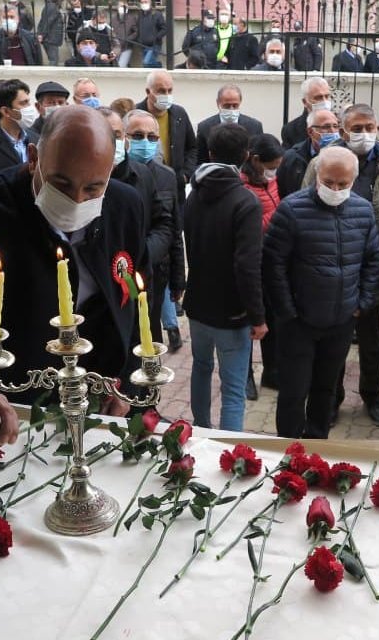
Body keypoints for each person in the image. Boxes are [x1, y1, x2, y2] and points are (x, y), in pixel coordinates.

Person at [0, 105, 148, 443]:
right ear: (34, 158)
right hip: (14, 402)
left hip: (101, 399)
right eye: (61, 183)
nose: (76, 200)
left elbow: (135, 297)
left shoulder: (125, 205)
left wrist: (131, 381)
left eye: (93, 188)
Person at [299, 104, 379, 426]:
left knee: (372, 338)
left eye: (369, 127)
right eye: (357, 128)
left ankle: (372, 395)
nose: (364, 134)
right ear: (344, 131)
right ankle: (331, 398)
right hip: (334, 264)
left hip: (377, 263)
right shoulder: (322, 162)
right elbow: (304, 206)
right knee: (334, 340)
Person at [264, 146, 379, 438]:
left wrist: (362, 302)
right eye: (329, 182)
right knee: (293, 393)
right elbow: (273, 265)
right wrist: (288, 311)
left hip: (341, 321)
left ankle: (317, 447)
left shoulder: (363, 211)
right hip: (299, 323)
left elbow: (373, 259)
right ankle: (288, 450)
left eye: (343, 184)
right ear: (317, 175)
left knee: (325, 390)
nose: (336, 190)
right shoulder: (291, 210)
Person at [182, 123, 267, 430]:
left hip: (198, 304)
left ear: (210, 153)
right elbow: (247, 266)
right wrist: (257, 316)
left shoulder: (194, 194)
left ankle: (200, 428)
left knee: (201, 367)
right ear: (246, 155)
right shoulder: (245, 201)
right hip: (232, 312)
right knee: (233, 388)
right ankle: (229, 447)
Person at [122, 108, 185, 352]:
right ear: (124, 137)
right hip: (122, 272)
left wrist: (178, 279)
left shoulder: (167, 176)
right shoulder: (115, 175)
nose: (145, 142)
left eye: (152, 137)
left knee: (150, 331)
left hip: (157, 271)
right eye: (138, 136)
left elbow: (173, 228)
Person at [240, 134, 285, 393]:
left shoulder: (273, 181)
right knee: (251, 321)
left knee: (274, 320)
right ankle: (245, 375)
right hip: (252, 262)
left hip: (273, 261)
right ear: (256, 160)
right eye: (271, 166)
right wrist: (278, 216)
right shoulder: (242, 186)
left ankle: (272, 371)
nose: (273, 171)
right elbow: (250, 227)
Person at [136, 70, 198, 195]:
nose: (166, 95)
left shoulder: (179, 114)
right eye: (161, 91)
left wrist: (185, 175)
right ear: (148, 92)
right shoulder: (135, 115)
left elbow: (192, 148)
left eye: (170, 90)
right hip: (143, 186)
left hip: (175, 189)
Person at [195, 85, 264, 165]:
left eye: (235, 105)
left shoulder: (255, 126)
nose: (231, 109)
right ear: (218, 103)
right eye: (227, 106)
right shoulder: (204, 127)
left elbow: (258, 158)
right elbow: (200, 160)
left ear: (240, 102)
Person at [278, 108, 338, 199]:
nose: (333, 131)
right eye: (326, 127)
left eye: (336, 126)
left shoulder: (347, 156)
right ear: (310, 131)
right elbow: (282, 193)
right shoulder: (292, 158)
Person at [281, 78, 333, 149]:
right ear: (305, 102)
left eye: (327, 96)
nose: (324, 101)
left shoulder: (340, 124)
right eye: (318, 98)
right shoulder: (291, 130)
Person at [135, 0, 167, 67]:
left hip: (154, 45)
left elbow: (164, 29)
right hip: (143, 45)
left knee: (146, 63)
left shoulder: (157, 14)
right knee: (146, 66)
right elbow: (138, 28)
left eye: (146, 2)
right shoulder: (140, 15)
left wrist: (156, 37)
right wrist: (139, 39)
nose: (144, 4)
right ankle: (157, 69)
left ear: (151, 2)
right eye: (142, 2)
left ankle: (159, 66)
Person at [109, 0, 139, 67]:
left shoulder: (132, 18)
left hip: (126, 47)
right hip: (115, 47)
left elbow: (136, 32)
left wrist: (128, 39)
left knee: (121, 66)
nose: (122, 8)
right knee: (115, 66)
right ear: (117, 7)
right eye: (121, 6)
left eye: (124, 6)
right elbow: (110, 31)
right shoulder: (113, 19)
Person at [35, 0, 64, 64]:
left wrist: (40, 34)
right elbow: (47, 23)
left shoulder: (49, 6)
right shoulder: (53, 7)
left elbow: (43, 21)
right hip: (51, 39)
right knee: (53, 61)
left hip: (50, 38)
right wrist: (41, 35)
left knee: (53, 60)